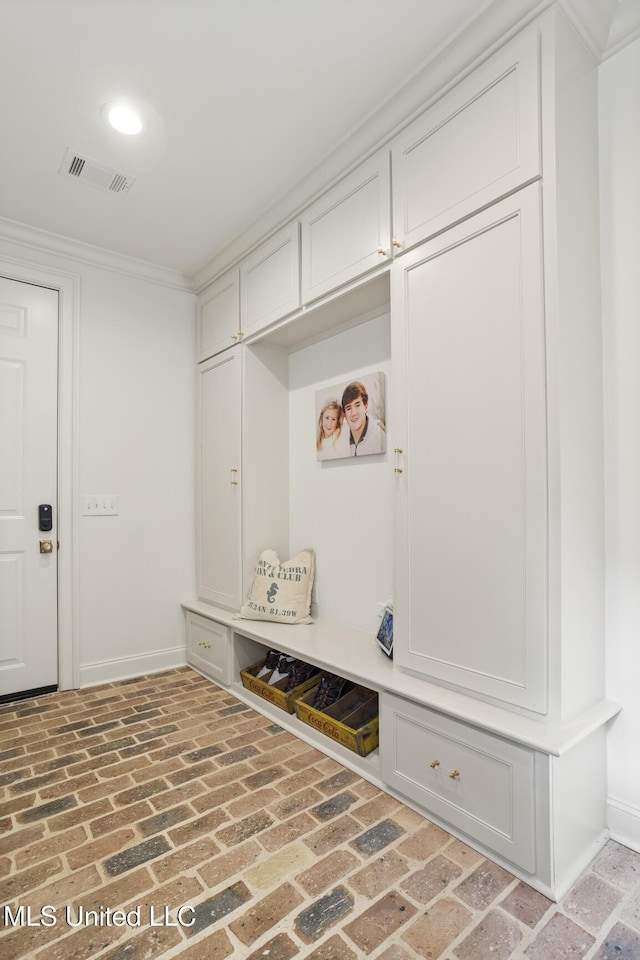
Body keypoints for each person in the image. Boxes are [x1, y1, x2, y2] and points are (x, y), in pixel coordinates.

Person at [341, 380, 386, 456]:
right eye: (348, 408)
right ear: (345, 414)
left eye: (357, 405)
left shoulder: (378, 437)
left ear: (365, 406)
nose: (353, 413)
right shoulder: (340, 439)